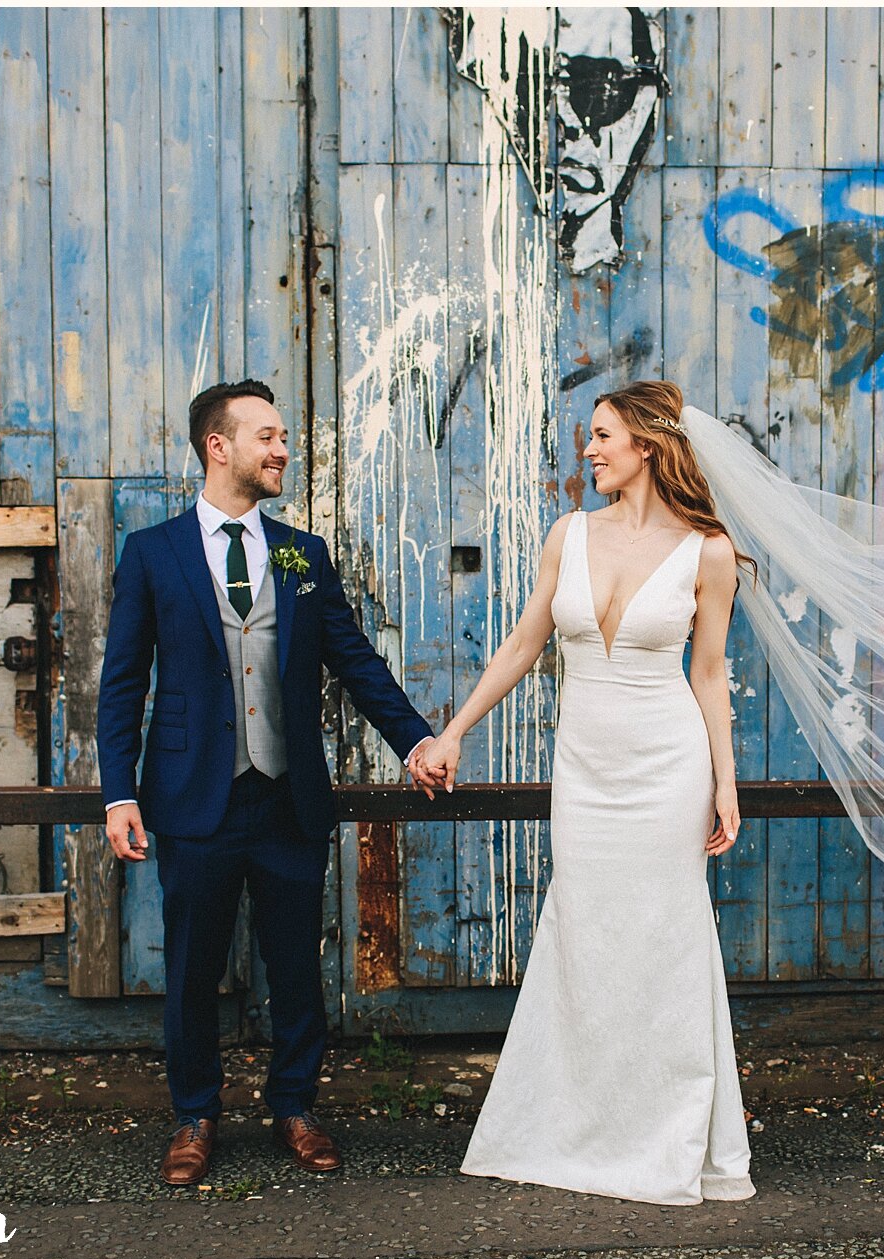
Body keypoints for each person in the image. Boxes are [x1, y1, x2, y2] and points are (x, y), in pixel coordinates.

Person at [414, 379, 757, 1206]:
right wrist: (453, 729)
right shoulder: (569, 533)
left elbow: (709, 674)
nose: (590, 450)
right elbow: (525, 640)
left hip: (666, 765)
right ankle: (576, 1125)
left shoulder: (707, 550)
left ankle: (667, 1135)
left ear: (646, 443)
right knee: (586, 932)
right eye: (589, 438)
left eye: (602, 436)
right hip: (586, 769)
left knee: (663, 937)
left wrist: (725, 781)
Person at [97, 378, 438, 1186]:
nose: (283, 449)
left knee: (295, 967)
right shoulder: (155, 552)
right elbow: (122, 682)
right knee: (190, 969)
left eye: (284, 437)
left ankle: (295, 1106)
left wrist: (416, 739)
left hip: (287, 797)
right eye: (268, 437)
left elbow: (351, 657)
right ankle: (194, 1117)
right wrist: (119, 792)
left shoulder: (297, 552)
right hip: (191, 798)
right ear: (219, 446)